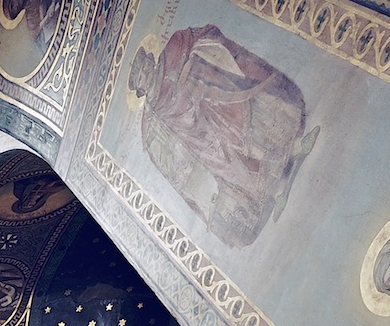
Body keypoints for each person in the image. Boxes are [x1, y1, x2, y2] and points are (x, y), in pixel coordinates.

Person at [127, 26, 316, 248]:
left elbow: (202, 37)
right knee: (238, 167)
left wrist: (195, 66)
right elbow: (164, 156)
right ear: (140, 90)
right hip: (205, 145)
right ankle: (276, 189)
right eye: (140, 78)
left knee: (254, 120)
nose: (145, 75)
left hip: (222, 102)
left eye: (144, 68)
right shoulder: (152, 118)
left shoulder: (174, 48)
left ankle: (294, 145)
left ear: (150, 59)